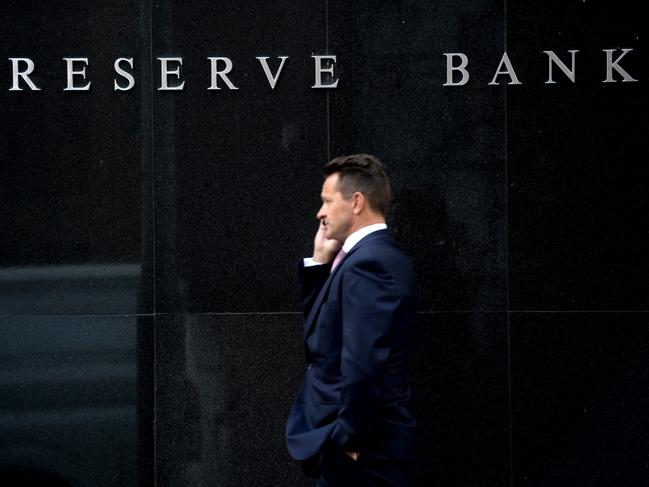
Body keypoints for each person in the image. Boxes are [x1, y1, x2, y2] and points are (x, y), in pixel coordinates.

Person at [285, 154, 417, 486]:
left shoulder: (369, 263)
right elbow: (322, 334)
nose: (320, 212)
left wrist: (349, 439)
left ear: (356, 202)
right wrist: (319, 263)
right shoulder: (366, 258)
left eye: (327, 201)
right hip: (358, 449)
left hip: (363, 454)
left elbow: (364, 361)